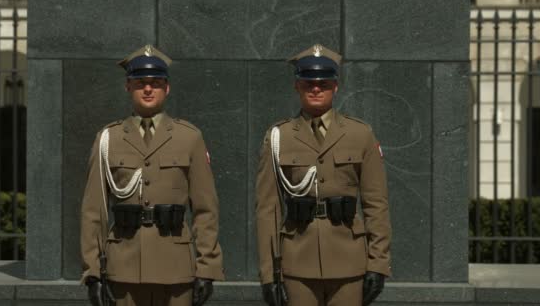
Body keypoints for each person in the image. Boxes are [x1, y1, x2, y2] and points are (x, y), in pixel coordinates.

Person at [80, 45, 225, 306]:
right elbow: (94, 211)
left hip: (176, 270)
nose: (148, 89)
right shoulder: (108, 139)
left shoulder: (189, 137)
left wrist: (207, 268)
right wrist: (93, 273)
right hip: (122, 268)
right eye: (140, 83)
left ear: (167, 88)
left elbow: (206, 210)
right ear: (128, 87)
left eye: (156, 83)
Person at [255, 44, 391, 306]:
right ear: (297, 86)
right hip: (297, 262)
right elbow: (267, 209)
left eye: (324, 83)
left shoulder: (360, 134)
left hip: (349, 262)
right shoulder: (278, 137)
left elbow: (376, 204)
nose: (316, 88)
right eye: (308, 83)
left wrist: (378, 264)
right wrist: (269, 274)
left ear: (335, 86)